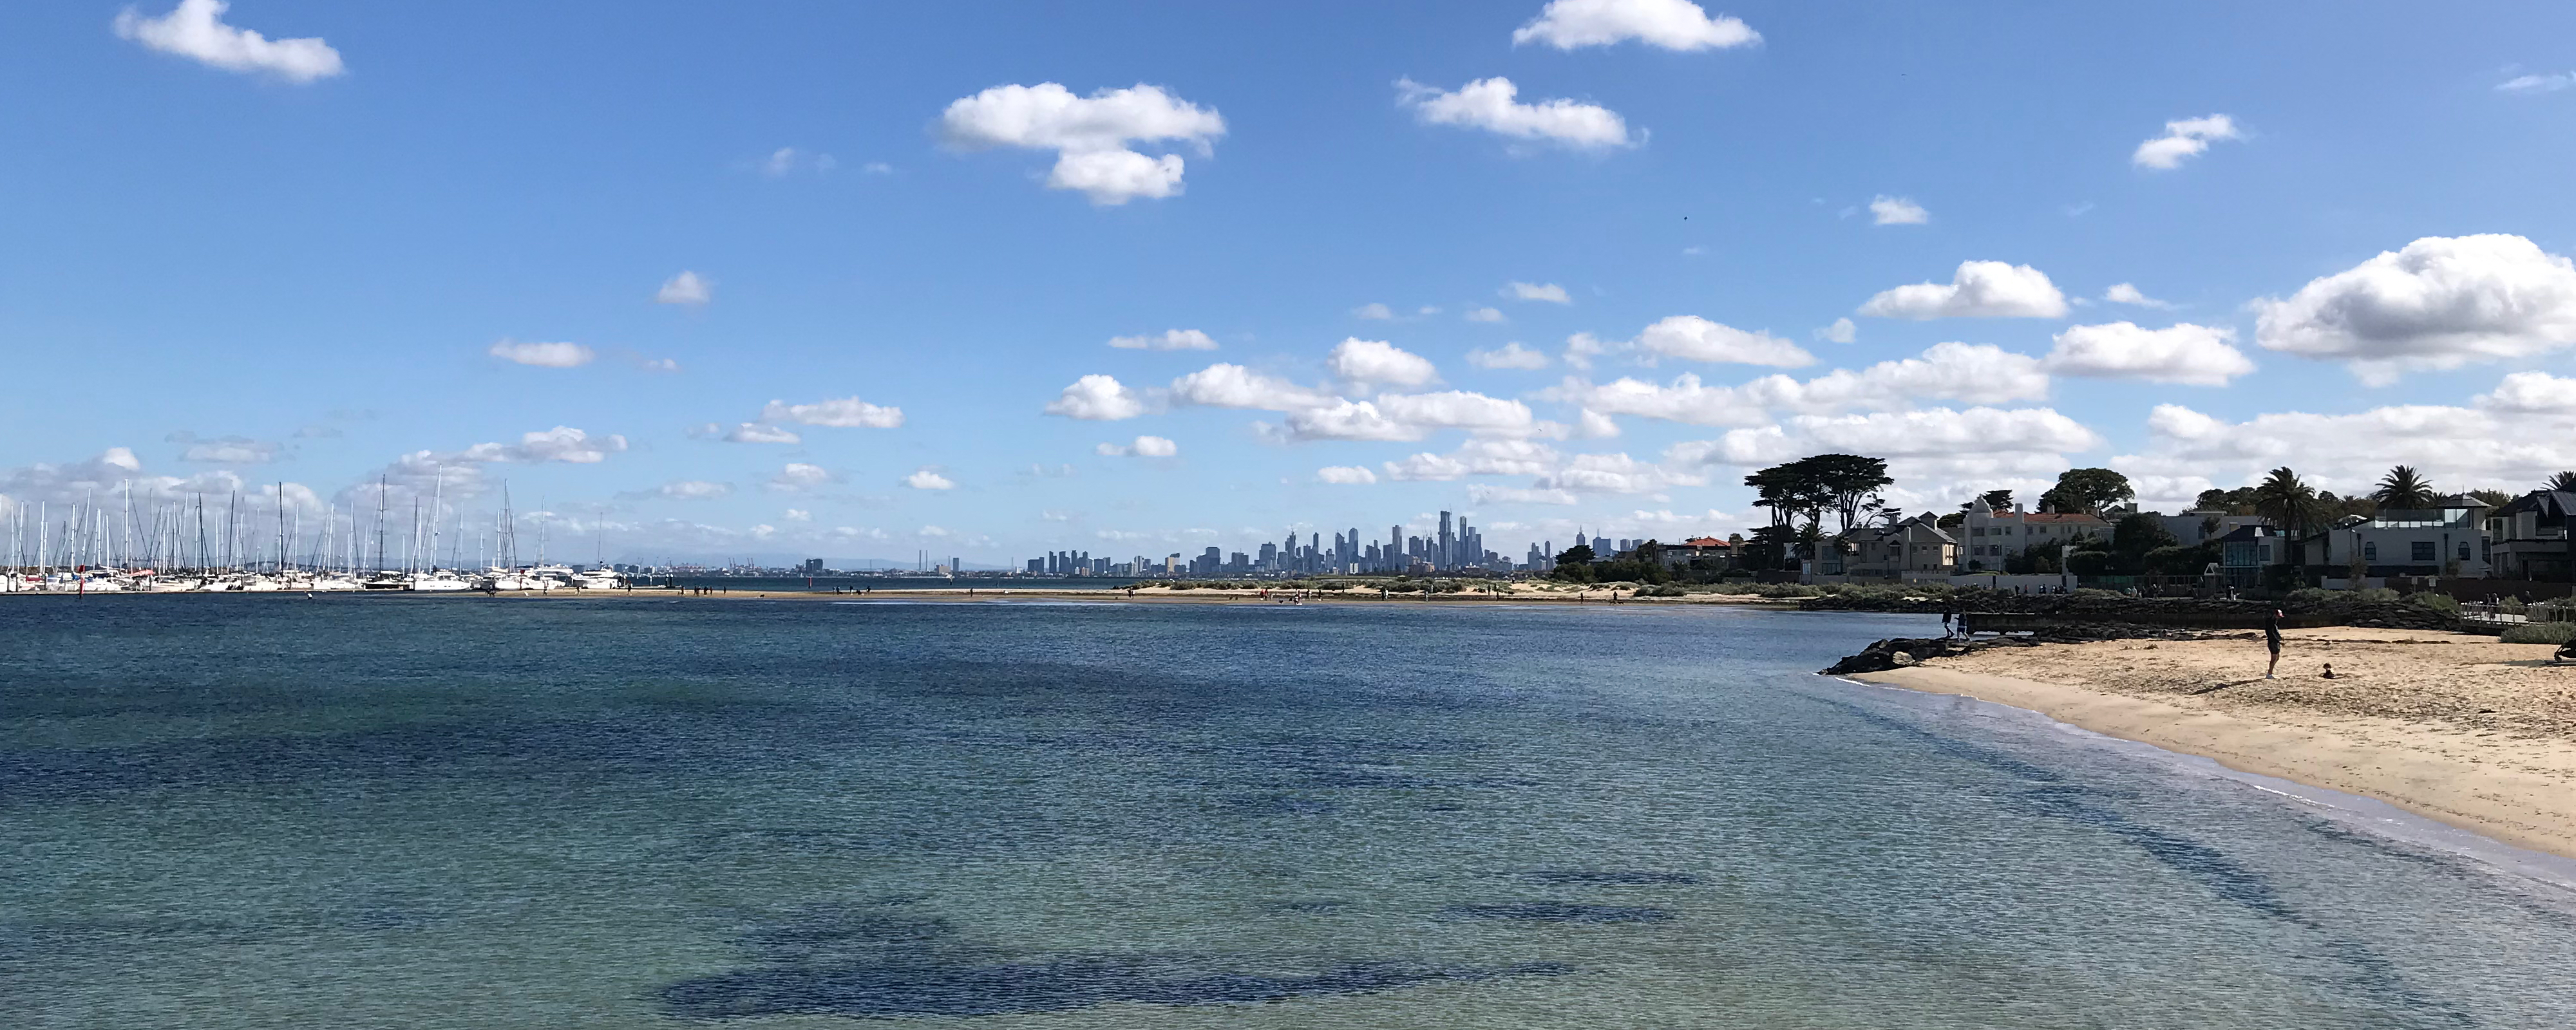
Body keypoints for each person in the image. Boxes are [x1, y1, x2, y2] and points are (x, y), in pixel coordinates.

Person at [2264, 608, 2284, 679]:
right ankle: (2269, 673)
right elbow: (2272, 635)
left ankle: (2270, 672)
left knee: (2277, 657)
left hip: (2274, 642)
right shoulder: (2271, 624)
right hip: (2273, 642)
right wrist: (2279, 640)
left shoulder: (2273, 623)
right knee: (2274, 658)